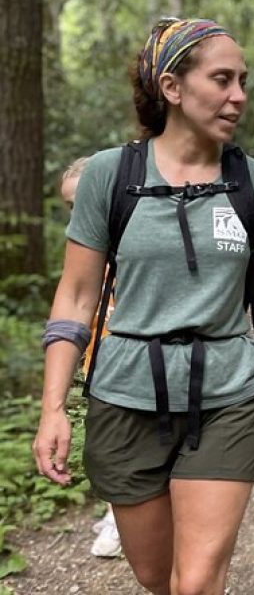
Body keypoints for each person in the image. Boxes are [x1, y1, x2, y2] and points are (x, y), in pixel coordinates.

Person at [34, 18, 254, 594]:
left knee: (194, 583)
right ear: (172, 87)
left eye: (242, 80)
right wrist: (53, 407)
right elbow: (77, 294)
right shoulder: (109, 177)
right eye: (222, 79)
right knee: (156, 579)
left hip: (225, 395)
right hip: (124, 395)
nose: (238, 95)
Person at [60, 158, 122, 559]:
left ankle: (121, 519)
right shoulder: (83, 250)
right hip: (98, 362)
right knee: (103, 443)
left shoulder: (126, 239)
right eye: (69, 207)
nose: (76, 214)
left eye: (81, 202)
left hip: (130, 362)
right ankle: (117, 508)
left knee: (122, 446)